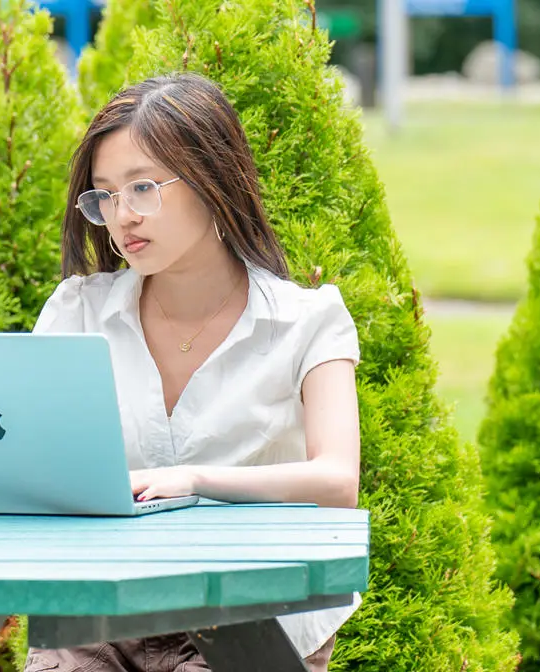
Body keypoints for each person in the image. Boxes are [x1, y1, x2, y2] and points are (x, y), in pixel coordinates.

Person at [22, 72, 362, 672]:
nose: (121, 216)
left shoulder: (309, 321)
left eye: (143, 188)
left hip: (251, 612)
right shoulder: (78, 311)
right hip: (101, 607)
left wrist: (192, 479)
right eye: (103, 195)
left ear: (213, 181)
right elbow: (26, 462)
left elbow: (337, 480)